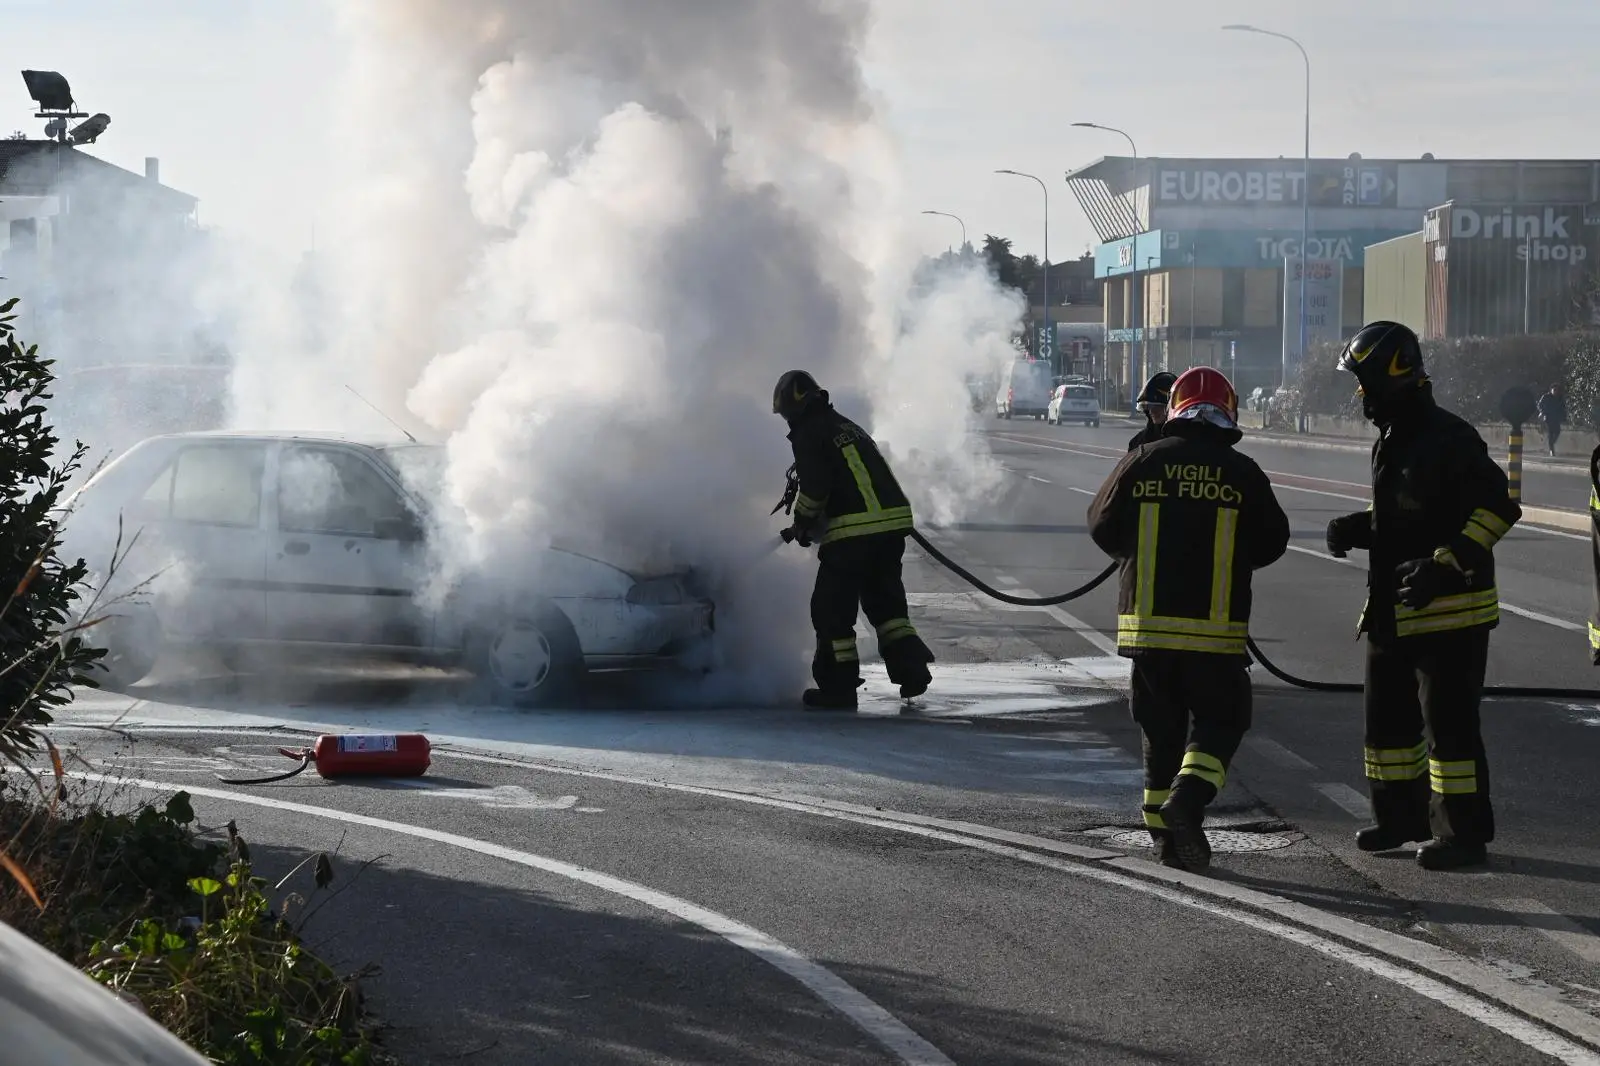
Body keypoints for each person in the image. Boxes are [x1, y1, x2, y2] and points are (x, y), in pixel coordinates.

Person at [1324, 321, 1521, 870]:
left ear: (1394, 376)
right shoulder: (1395, 437)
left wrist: (1445, 566)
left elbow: (1498, 508)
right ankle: (1399, 818)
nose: (1360, 395)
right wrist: (1359, 527)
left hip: (1449, 613)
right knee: (1386, 727)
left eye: (1364, 382)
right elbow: (1409, 513)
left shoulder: (1449, 437)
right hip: (1394, 610)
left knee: (1450, 732)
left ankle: (1462, 836)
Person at [1088, 366, 1290, 871]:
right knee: (1224, 719)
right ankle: (1189, 799)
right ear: (1228, 412)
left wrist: (1136, 554)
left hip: (1148, 632)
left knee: (1160, 734)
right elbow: (1273, 542)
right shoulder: (1242, 471)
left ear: (1175, 410)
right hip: (1214, 633)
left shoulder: (1143, 460)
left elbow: (1101, 524)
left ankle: (1166, 842)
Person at [773, 370, 935, 711]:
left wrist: (802, 521)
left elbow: (815, 488)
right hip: (890, 527)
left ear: (795, 405)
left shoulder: (808, 432)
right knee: (887, 608)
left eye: (786, 413)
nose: (787, 421)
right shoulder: (846, 426)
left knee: (830, 611)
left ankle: (838, 688)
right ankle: (912, 670)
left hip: (854, 532)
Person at [1127, 371, 1177, 451]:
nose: (1152, 411)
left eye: (1158, 406)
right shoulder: (1137, 442)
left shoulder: (1185, 442)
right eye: (1149, 406)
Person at [1538, 384, 1567, 456]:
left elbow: (1563, 407)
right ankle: (1552, 450)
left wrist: (1563, 416)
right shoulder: (1546, 396)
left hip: (1556, 418)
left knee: (1557, 431)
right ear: (1551, 390)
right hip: (1548, 417)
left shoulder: (1560, 397)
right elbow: (1540, 405)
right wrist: (1543, 412)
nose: (1555, 391)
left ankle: (1551, 443)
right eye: (1554, 390)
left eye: (1557, 390)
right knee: (1551, 432)